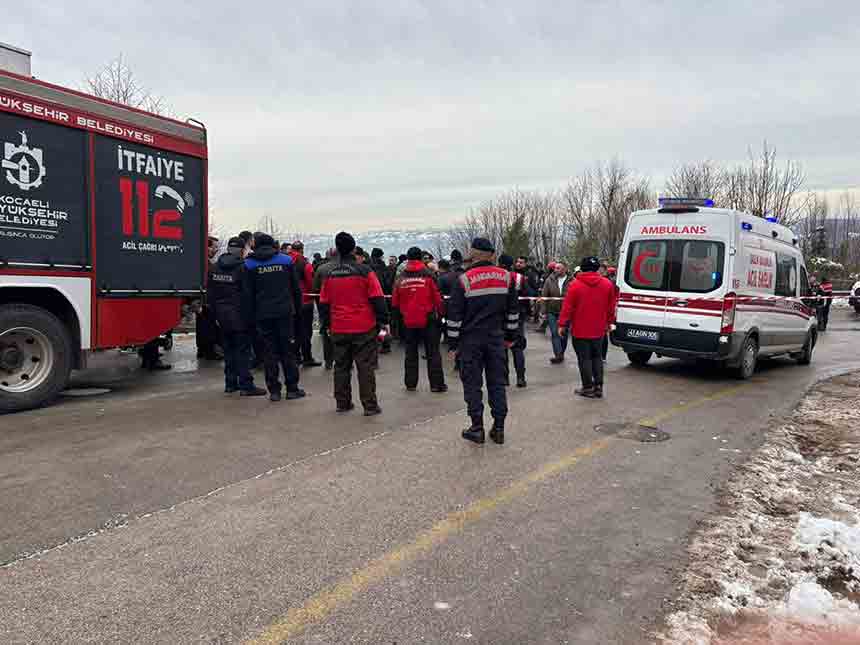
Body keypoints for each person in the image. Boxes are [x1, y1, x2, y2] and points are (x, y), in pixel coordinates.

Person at [447, 237, 520, 445]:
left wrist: (453, 345)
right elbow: (513, 312)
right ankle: (499, 428)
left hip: (471, 341)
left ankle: (477, 428)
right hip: (496, 339)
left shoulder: (464, 279)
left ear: (473, 253)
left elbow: (454, 317)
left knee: (472, 384)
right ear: (491, 254)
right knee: (497, 383)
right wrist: (510, 337)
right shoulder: (506, 277)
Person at [319, 232, 388, 416]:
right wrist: (384, 321)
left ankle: (342, 403)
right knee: (365, 367)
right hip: (363, 326)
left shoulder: (330, 274)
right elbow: (377, 297)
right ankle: (370, 406)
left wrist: (326, 324)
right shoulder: (365, 271)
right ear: (353, 248)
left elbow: (324, 302)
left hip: (338, 326)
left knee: (341, 366)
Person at [243, 233, 306, 402]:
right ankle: (292, 389)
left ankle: (274, 391)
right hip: (284, 312)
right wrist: (298, 310)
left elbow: (247, 294)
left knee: (269, 352)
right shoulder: (285, 261)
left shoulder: (249, 264)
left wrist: (250, 316)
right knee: (287, 350)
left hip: (262, 314)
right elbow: (296, 289)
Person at [207, 237, 266, 396]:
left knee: (229, 351)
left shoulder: (214, 268)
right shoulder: (243, 268)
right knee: (243, 352)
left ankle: (230, 383)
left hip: (221, 317)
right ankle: (246, 385)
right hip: (240, 317)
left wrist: (215, 315)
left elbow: (210, 295)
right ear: (242, 250)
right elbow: (248, 295)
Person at [558, 256, 617, 399]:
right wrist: (610, 322)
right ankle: (598, 387)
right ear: (597, 268)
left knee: (584, 359)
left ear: (582, 268)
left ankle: (588, 387)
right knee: (597, 357)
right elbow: (611, 307)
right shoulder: (607, 284)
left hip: (580, 329)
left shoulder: (575, 285)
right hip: (599, 329)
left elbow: (567, 307)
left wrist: (562, 324)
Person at [392, 247, 447, 393]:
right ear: (421, 258)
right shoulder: (429, 275)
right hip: (429, 319)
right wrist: (442, 315)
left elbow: (395, 302)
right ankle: (436, 385)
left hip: (408, 320)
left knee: (410, 352)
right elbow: (437, 299)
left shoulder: (400, 278)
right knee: (433, 352)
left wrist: (398, 318)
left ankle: (410, 384)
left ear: (408, 259)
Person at [289, 241, 321, 367]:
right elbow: (311, 283)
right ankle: (307, 357)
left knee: (294, 331)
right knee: (306, 331)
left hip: (290, 303)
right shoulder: (304, 263)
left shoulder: (286, 261)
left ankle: (296, 356)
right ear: (302, 249)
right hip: (305, 301)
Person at [499, 254, 529, 388]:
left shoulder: (495, 277)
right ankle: (520, 378)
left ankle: (504, 378)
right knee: (517, 348)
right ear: (512, 264)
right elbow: (527, 295)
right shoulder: (518, 277)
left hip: (499, 317)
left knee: (502, 349)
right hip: (517, 316)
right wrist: (527, 312)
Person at [313, 248, 339, 370]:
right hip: (341, 305)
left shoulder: (321, 268)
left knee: (326, 333)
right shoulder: (346, 267)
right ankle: (344, 359)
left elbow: (315, 287)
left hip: (325, 305)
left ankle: (328, 360)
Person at [541, 261, 572, 364]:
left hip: (566, 312)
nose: (555, 270)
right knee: (555, 333)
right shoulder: (549, 280)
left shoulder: (572, 281)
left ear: (565, 269)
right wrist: (543, 311)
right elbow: (544, 295)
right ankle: (558, 355)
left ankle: (561, 353)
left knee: (563, 334)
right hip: (552, 311)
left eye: (558, 268)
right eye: (555, 268)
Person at [369, 248, 394, 354]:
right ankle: (384, 344)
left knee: (372, 324)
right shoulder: (383, 268)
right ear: (380, 256)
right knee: (383, 324)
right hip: (383, 298)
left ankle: (374, 344)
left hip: (371, 299)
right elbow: (388, 283)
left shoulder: (368, 267)